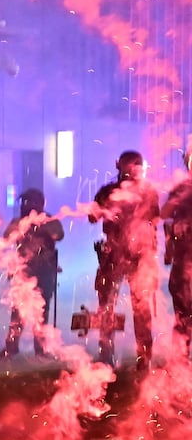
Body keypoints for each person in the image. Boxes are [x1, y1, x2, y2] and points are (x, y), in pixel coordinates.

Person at [91, 150, 161, 370]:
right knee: (107, 305)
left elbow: (153, 224)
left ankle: (142, 356)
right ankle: (108, 352)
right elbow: (93, 216)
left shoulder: (147, 192)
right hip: (114, 255)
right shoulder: (109, 191)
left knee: (139, 308)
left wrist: (151, 257)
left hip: (137, 256)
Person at [0, 189, 64, 358]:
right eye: (24, 203)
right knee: (18, 311)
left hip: (44, 272)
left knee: (42, 312)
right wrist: (22, 227)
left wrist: (41, 228)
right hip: (24, 272)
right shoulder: (18, 221)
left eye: (29, 202)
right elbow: (6, 237)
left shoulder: (49, 220)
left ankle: (40, 348)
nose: (25, 206)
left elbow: (59, 234)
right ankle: (12, 346)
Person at [163, 157, 192, 359]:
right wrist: (168, 249)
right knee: (182, 312)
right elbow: (165, 216)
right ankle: (180, 359)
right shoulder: (180, 189)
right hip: (183, 261)